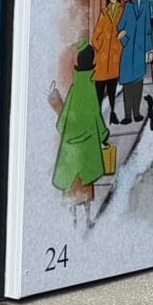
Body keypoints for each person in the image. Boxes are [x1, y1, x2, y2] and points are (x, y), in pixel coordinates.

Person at [49, 44, 109, 200]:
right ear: (93, 65)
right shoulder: (91, 89)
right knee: (87, 180)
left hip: (71, 147)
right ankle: (87, 215)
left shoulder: (74, 90)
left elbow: (62, 122)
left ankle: (73, 216)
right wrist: (103, 136)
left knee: (71, 183)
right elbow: (96, 117)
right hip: (87, 145)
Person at [116, 0, 153, 124]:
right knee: (127, 84)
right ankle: (126, 115)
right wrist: (125, 40)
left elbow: (148, 30)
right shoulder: (128, 6)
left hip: (139, 50)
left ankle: (136, 112)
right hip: (128, 50)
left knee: (138, 83)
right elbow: (120, 27)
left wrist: (149, 50)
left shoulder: (146, 4)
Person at [91, 0, 124, 120]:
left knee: (112, 88)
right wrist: (102, 46)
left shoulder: (122, 11)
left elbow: (126, 28)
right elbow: (95, 37)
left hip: (115, 58)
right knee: (99, 89)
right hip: (103, 59)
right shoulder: (104, 13)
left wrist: (120, 41)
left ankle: (112, 113)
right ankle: (97, 117)